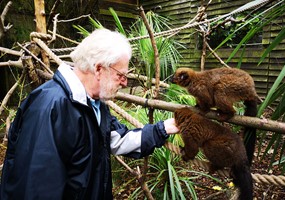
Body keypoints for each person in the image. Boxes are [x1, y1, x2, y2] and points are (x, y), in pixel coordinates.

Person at [0, 28, 179, 199]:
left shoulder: (95, 104)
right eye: (121, 75)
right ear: (99, 69)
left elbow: (117, 140)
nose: (124, 83)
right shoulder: (50, 107)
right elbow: (35, 187)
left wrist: (163, 128)